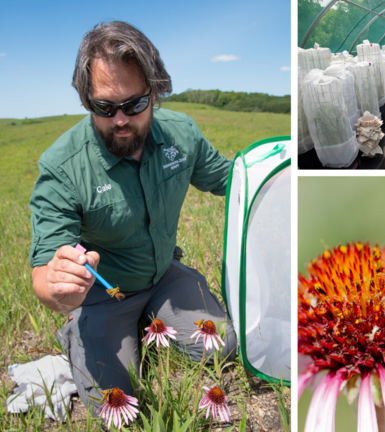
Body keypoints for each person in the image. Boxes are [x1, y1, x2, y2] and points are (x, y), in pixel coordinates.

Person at [29, 21, 237, 416]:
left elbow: (230, 179)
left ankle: (151, 316)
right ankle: (79, 329)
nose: (120, 119)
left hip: (164, 276)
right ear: (85, 99)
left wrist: (276, 174)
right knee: (118, 408)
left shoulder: (182, 134)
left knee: (220, 347)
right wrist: (59, 289)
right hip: (104, 296)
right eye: (104, 107)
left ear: (155, 92)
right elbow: (44, 271)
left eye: (135, 104)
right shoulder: (62, 167)